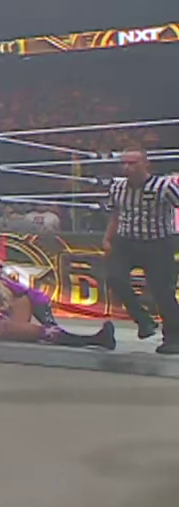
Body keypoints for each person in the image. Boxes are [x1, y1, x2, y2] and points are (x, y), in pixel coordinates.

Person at [102, 149, 179, 354]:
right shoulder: (117, 187)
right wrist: (107, 238)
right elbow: (115, 214)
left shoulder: (164, 186)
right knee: (114, 278)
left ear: (146, 164)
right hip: (125, 242)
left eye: (133, 163)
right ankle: (143, 320)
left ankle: (174, 338)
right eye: (124, 163)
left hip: (157, 244)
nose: (127, 167)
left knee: (162, 291)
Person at [0, 257, 114, 349]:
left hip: (9, 322)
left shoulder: (4, 285)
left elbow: (32, 295)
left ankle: (52, 325)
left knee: (26, 297)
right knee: (43, 332)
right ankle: (95, 340)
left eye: (0, 266)